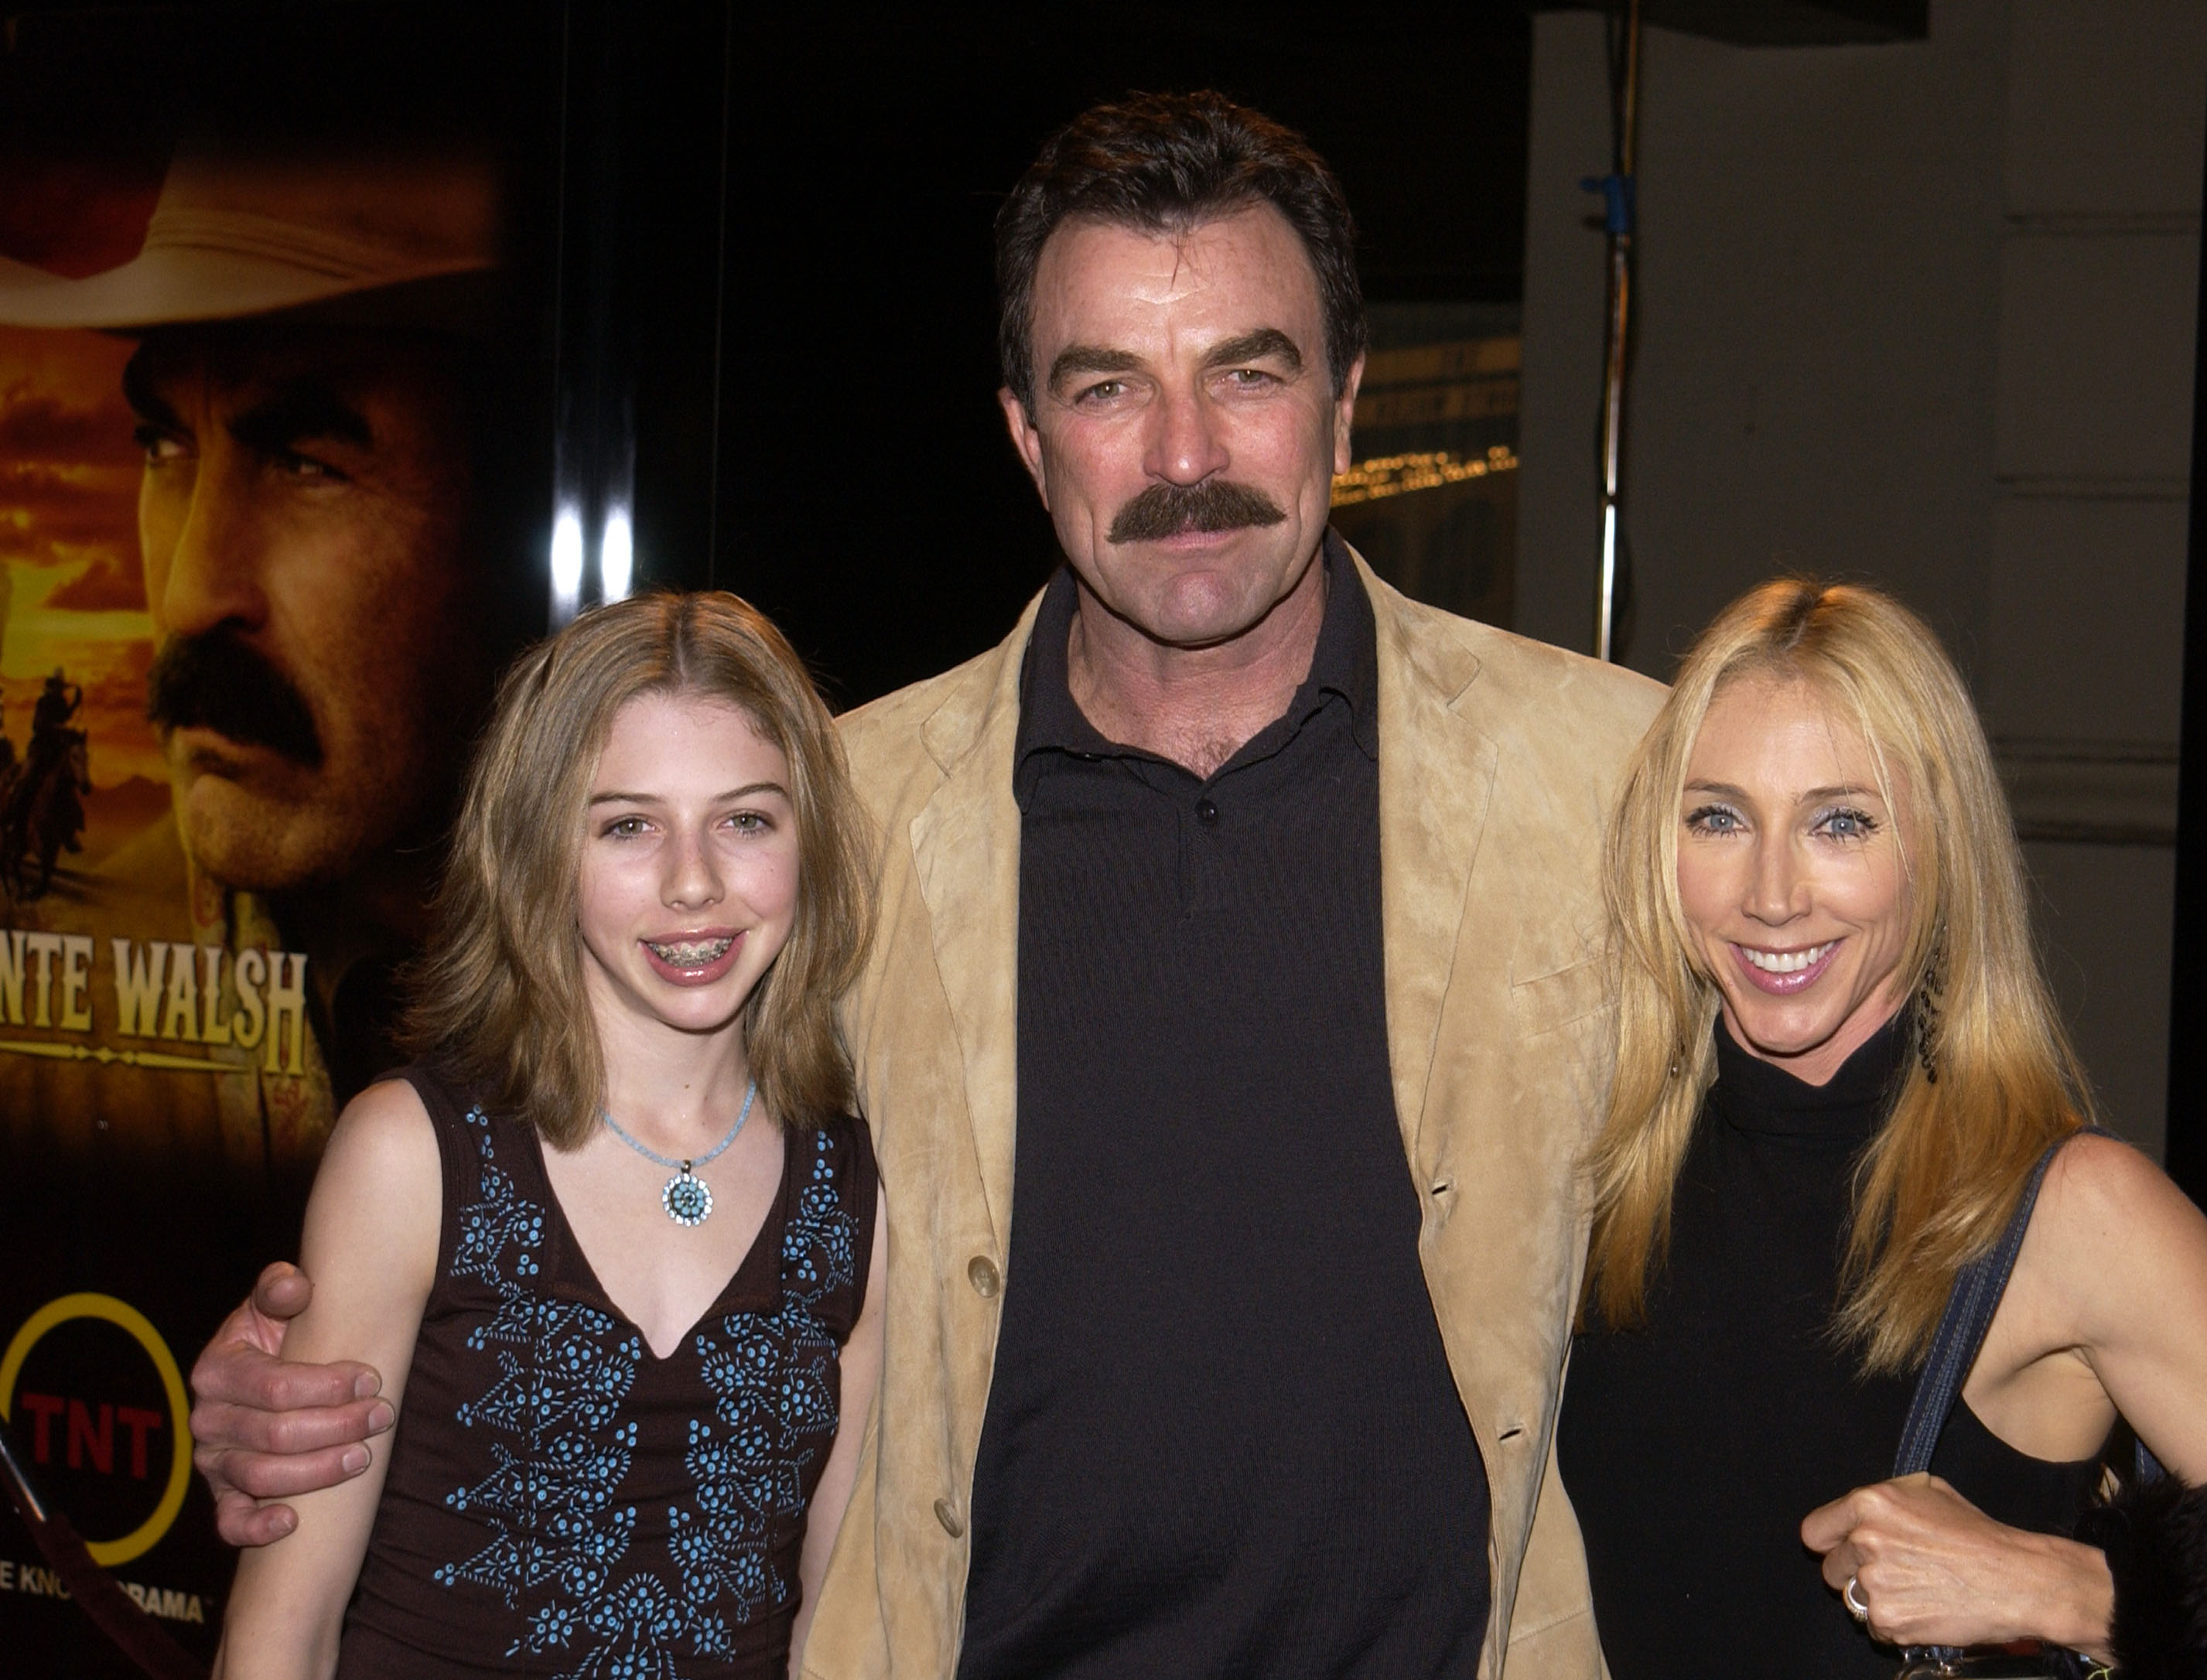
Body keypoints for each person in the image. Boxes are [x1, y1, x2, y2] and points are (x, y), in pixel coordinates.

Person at [190, 92, 1663, 1679]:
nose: (1186, 455)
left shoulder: (1608, 783)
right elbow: (589, 1187)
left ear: (1345, 406)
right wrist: (325, 1365)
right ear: (1029, 438)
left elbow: (1842, 1193)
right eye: (1111, 388)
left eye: (1250, 372)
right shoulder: (834, 821)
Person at [1554, 578, 2207, 1675]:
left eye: (1842, 822)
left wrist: (2071, 1588)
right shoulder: (1592, 1161)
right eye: (1719, 817)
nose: (1774, 893)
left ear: (1939, 851)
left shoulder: (2075, 1214)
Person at [212, 590, 886, 1678]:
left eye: (746, 819)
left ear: (809, 841)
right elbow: (280, 1632)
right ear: (538, 853)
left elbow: (833, 1632)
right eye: (627, 825)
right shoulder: (411, 1154)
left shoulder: (861, 1188)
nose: (694, 882)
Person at [0, 137, 526, 1171]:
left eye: (302, 462)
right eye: (163, 446)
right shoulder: (48, 1051)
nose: (189, 594)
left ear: (509, 523)